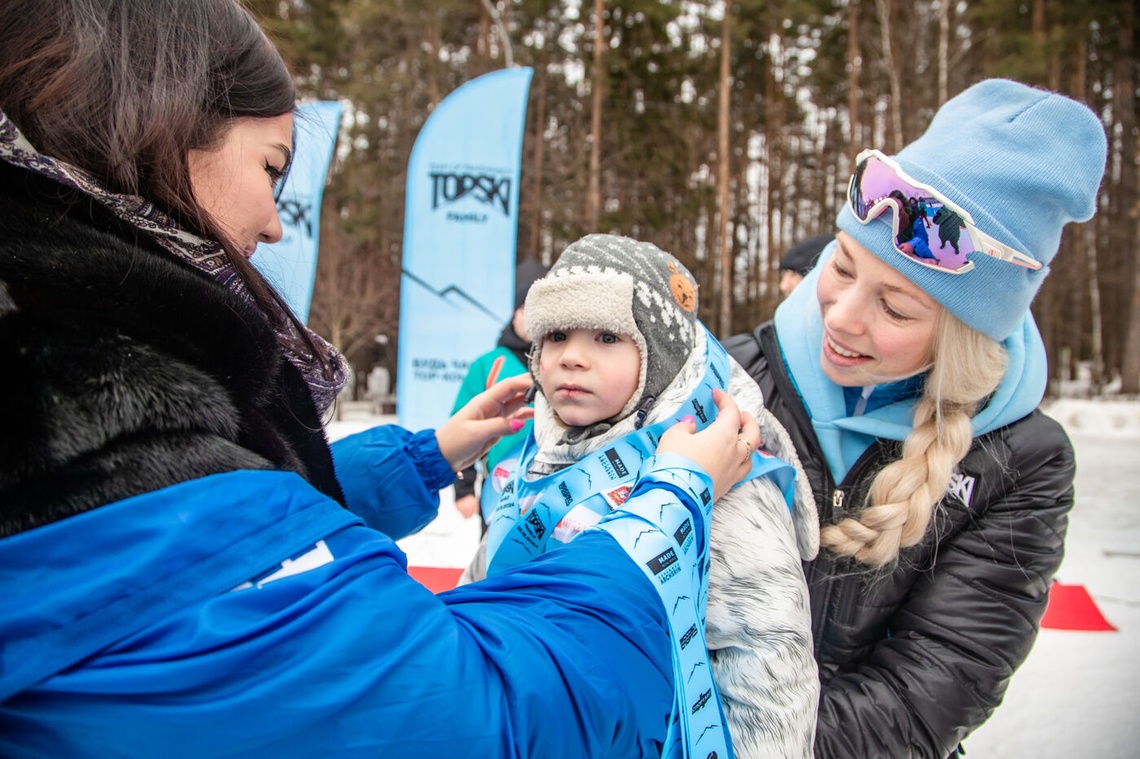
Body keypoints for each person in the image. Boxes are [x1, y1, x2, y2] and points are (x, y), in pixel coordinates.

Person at [0, 2, 763, 756]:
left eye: (604, 337)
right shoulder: (95, 426)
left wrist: (427, 453)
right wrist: (665, 511)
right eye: (271, 167)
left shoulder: (67, 389)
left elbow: (237, 513)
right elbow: (486, 715)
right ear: (151, 127)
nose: (273, 223)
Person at [725, 78, 1107, 758]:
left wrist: (727, 738)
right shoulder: (732, 376)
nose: (839, 317)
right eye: (839, 268)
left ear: (961, 335)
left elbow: (931, 685)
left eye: (896, 308)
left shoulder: (1020, 461)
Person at [463, 234, 821, 758]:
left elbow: (767, 657)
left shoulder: (719, 467)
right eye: (557, 334)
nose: (572, 358)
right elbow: (487, 576)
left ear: (660, 353)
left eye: (607, 337)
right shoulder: (539, 450)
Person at [450, 258, 548, 520]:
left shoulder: (562, 362)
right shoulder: (488, 364)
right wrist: (463, 489)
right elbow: (463, 422)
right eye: (525, 309)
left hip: (552, 492)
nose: (530, 318)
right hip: (498, 487)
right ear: (514, 313)